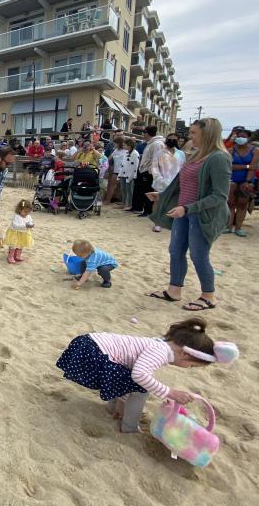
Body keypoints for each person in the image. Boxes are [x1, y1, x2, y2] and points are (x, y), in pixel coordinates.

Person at [56, 317, 235, 433]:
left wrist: (121, 401)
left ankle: (114, 409)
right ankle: (130, 426)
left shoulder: (162, 343)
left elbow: (127, 372)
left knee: (129, 380)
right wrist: (170, 392)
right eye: (191, 365)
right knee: (142, 387)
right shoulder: (161, 351)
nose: (188, 368)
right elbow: (139, 375)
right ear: (185, 354)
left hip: (91, 344)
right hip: (93, 351)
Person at [147, 118, 231, 311]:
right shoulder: (195, 155)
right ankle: (174, 290)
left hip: (201, 215)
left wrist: (188, 209)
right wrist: (162, 196)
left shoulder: (219, 158)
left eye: (193, 133)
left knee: (199, 255)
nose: (189, 136)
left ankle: (208, 296)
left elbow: (220, 196)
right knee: (175, 251)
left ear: (207, 133)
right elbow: (186, 186)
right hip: (183, 212)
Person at [225, 127, 258, 237]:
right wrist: (246, 166)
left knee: (243, 204)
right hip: (232, 179)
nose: (240, 138)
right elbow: (229, 166)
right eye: (238, 136)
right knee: (230, 203)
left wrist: (247, 181)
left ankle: (238, 227)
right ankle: (228, 226)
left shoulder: (255, 151)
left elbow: (253, 167)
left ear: (248, 138)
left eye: (243, 137)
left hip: (247, 180)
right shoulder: (231, 150)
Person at [132, 126, 165, 217]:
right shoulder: (150, 143)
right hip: (144, 170)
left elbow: (156, 159)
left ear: (148, 133)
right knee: (142, 191)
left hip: (149, 172)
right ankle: (143, 209)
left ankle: (148, 210)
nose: (143, 135)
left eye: (144, 133)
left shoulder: (157, 144)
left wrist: (150, 171)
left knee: (148, 191)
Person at [4, 199, 34, 264]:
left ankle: (17, 256)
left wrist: (31, 224)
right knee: (13, 245)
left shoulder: (28, 216)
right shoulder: (16, 216)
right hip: (15, 233)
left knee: (21, 245)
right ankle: (10, 257)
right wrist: (25, 226)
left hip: (23, 233)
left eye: (28, 212)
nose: (27, 213)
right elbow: (15, 225)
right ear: (20, 210)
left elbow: (30, 221)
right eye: (25, 211)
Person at [116, 138, 140, 210]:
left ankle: (129, 205)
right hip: (123, 174)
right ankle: (124, 203)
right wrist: (119, 175)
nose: (123, 146)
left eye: (124, 145)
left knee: (130, 190)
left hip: (130, 174)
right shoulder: (126, 153)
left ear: (129, 145)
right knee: (123, 189)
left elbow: (135, 166)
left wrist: (132, 175)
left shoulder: (135, 153)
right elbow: (123, 164)